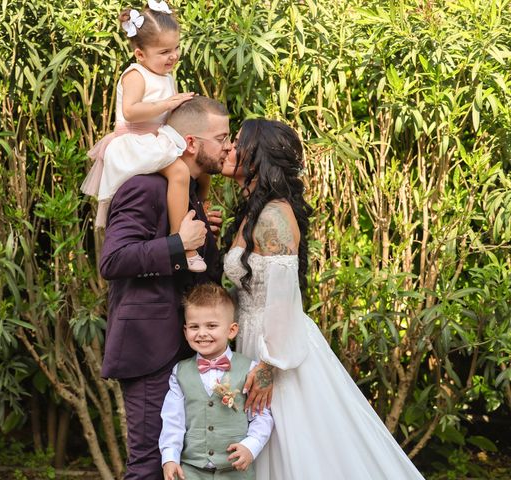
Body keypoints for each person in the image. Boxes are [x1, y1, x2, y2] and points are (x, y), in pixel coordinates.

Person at [222, 119, 426, 479]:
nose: (228, 148)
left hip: (278, 351)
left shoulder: (272, 217)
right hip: (254, 342)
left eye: (237, 143)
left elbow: (284, 299)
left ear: (257, 156)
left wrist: (269, 366)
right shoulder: (255, 211)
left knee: (298, 450)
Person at [99, 96, 231, 480]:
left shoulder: (189, 192)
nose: (227, 146)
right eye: (220, 138)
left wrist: (206, 238)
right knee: (149, 466)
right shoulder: (144, 188)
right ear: (191, 143)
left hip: (188, 350)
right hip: (148, 351)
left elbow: (198, 275)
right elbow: (113, 260)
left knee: (182, 463)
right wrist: (179, 243)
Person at [82, 0, 207, 271]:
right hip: (134, 142)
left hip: (154, 139)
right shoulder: (136, 75)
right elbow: (130, 111)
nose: (172, 56)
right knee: (179, 174)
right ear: (140, 54)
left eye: (175, 48)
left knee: (198, 168)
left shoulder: (163, 73)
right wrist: (168, 103)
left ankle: (196, 224)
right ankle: (181, 243)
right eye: (164, 52)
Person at [159, 283, 273, 480]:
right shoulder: (180, 372)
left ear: (231, 330)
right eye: (194, 327)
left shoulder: (250, 369)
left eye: (211, 326)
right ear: (186, 332)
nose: (202, 333)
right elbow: (172, 420)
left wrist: (251, 446)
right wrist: (170, 457)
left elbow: (261, 415)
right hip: (190, 470)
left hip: (236, 471)